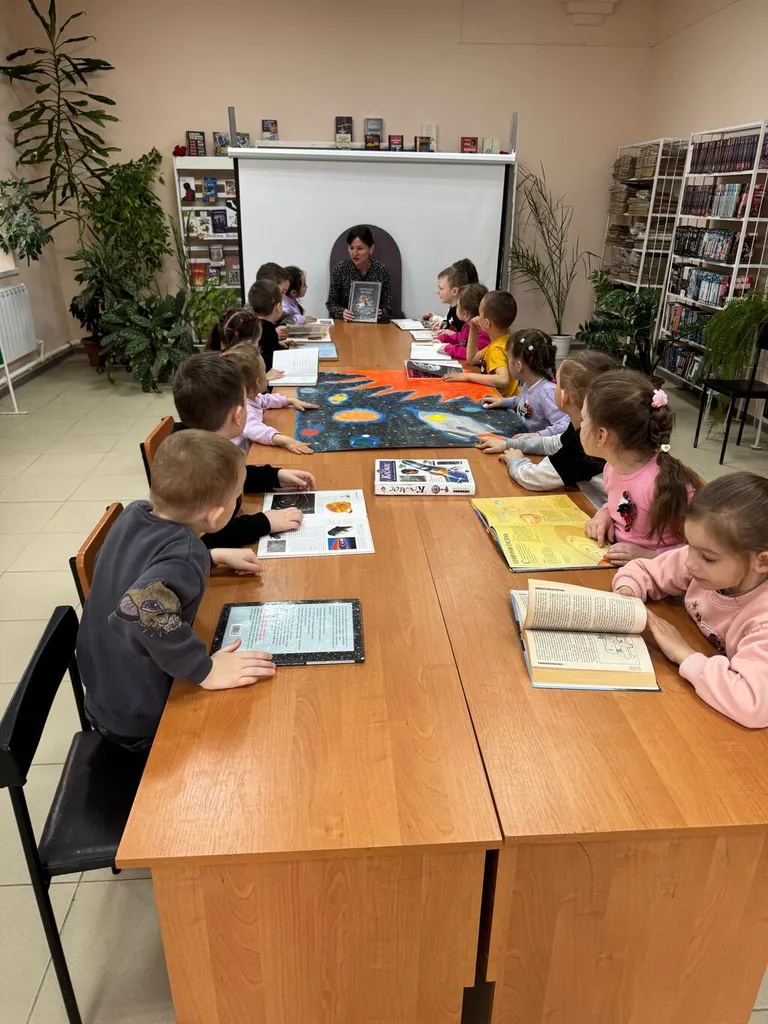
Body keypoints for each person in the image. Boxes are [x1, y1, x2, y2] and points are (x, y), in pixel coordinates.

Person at [76, 430, 277, 750]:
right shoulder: (186, 554)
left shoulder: (134, 513)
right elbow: (139, 613)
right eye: (236, 497)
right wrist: (206, 670)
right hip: (140, 721)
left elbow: (136, 568)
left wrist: (210, 558)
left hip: (104, 696)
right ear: (216, 516)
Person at [613, 473, 768, 729]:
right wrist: (627, 591)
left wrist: (682, 653)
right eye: (689, 546)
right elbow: (645, 570)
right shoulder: (704, 561)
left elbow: (752, 704)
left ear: (762, 562)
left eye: (707, 558)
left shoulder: (762, 620)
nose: (689, 562)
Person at [172, 352, 314, 547]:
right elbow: (203, 541)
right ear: (238, 415)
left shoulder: (198, 445)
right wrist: (263, 523)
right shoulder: (197, 468)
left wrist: (274, 476)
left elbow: (230, 476)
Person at [581, 370, 702, 566]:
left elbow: (701, 549)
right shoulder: (611, 468)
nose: (581, 425)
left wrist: (651, 556)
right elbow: (618, 505)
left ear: (602, 435)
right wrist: (604, 514)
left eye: (584, 419)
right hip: (621, 568)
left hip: (661, 576)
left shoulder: (667, 484)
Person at [479, 349, 616, 502]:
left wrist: (515, 459)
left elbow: (533, 478)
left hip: (594, 510)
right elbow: (555, 443)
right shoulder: (586, 427)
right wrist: (509, 444)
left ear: (564, 397)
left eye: (556, 383)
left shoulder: (587, 445)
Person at [224, 343, 318, 455]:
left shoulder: (250, 397)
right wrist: (284, 440)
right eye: (264, 372)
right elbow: (256, 430)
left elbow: (264, 400)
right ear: (258, 382)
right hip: (243, 459)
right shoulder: (243, 410)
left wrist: (289, 401)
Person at [479, 329, 568, 437]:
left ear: (518, 366)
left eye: (509, 358)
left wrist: (538, 435)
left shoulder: (547, 392)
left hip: (536, 445)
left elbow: (566, 425)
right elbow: (524, 402)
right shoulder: (529, 383)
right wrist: (502, 402)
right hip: (524, 439)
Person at [443, 290, 518, 397]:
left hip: (500, 401)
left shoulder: (496, 349)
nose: (477, 316)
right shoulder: (504, 340)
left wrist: (467, 377)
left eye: (479, 313)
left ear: (487, 323)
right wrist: (473, 329)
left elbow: (503, 380)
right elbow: (471, 359)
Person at [327, 225, 392, 322]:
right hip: (347, 324)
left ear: (371, 249)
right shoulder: (340, 269)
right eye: (351, 248)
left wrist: (380, 314)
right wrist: (342, 313)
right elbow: (331, 304)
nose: (354, 253)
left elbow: (388, 308)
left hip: (374, 325)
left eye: (360, 248)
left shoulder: (381, 270)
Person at [435, 283, 489, 361]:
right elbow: (459, 338)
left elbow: (470, 354)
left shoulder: (482, 333)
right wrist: (444, 338)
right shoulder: (467, 326)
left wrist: (449, 349)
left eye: (458, 305)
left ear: (465, 313)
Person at [424, 259, 479, 331]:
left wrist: (453, 334)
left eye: (441, 288)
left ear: (455, 291)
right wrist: (445, 323)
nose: (437, 292)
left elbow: (465, 334)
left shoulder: (462, 313)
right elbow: (452, 323)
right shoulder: (453, 309)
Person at [248, 280, 286, 371]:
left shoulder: (253, 325)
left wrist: (278, 344)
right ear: (278, 307)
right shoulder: (269, 330)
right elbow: (271, 358)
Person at [254, 263, 291, 340]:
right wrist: (272, 334)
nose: (284, 297)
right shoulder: (249, 315)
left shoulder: (273, 308)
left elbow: (288, 317)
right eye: (282, 292)